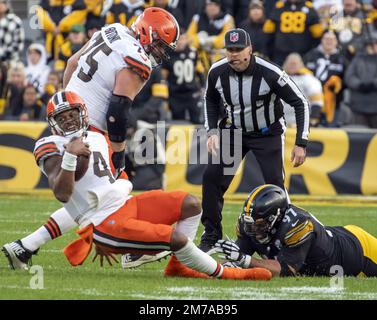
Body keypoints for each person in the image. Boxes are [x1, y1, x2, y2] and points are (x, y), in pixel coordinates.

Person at [2, 91, 272, 282]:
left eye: (73, 114)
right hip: (104, 223)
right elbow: (62, 193)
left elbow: (109, 180)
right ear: (53, 124)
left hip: (125, 204)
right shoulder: (49, 145)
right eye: (62, 118)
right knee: (175, 239)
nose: (69, 121)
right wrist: (71, 155)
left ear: (83, 112)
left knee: (191, 204)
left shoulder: (98, 137)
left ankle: (176, 266)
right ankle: (225, 273)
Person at [1, 7, 181, 269]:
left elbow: (73, 63)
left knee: (94, 197)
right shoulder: (137, 59)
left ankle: (25, 246)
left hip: (66, 119)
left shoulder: (114, 29)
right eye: (160, 45)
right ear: (147, 33)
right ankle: (132, 250)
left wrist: (69, 103)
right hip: (93, 129)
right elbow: (118, 111)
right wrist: (118, 150)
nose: (160, 53)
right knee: (115, 194)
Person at [199, 28, 310, 252]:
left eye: (239, 49)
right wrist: (211, 130)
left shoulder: (270, 72)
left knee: (275, 187)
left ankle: (282, 242)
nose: (234, 54)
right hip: (233, 131)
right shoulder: (217, 71)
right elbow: (210, 99)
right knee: (212, 178)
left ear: (250, 49)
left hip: (267, 133)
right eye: (230, 50)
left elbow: (300, 102)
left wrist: (301, 142)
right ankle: (211, 236)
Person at [215, 184, 377, 277]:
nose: (253, 230)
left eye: (259, 224)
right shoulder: (248, 225)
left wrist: (244, 260)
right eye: (250, 224)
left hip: (359, 251)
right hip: (338, 237)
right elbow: (237, 258)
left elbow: (286, 270)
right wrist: (217, 267)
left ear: (276, 217)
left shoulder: (298, 225)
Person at [262, 0, 323, 65]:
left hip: (303, 52)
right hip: (280, 52)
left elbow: (317, 34)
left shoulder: (309, 7)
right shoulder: (279, 6)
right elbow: (268, 31)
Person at [344, 32, 377, 128]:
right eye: (370, 45)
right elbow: (349, 76)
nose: (372, 47)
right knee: (360, 133)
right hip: (358, 105)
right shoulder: (358, 59)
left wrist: (373, 84)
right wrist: (359, 85)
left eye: (374, 44)